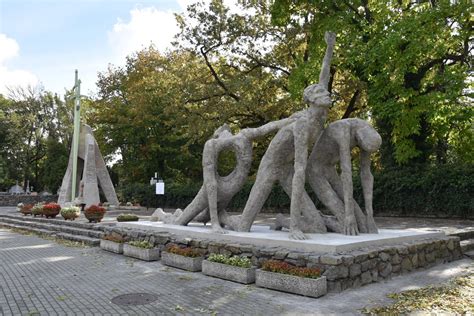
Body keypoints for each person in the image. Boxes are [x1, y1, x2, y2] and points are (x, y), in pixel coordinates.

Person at [225, 32, 336, 239]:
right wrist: (295, 228)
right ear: (311, 100)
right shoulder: (303, 124)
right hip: (271, 165)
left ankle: (281, 221)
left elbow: (325, 73)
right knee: (243, 226)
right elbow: (300, 170)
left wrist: (329, 47)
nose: (327, 93)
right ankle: (222, 218)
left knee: (318, 227)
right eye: (322, 94)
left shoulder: (318, 119)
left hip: (286, 169)